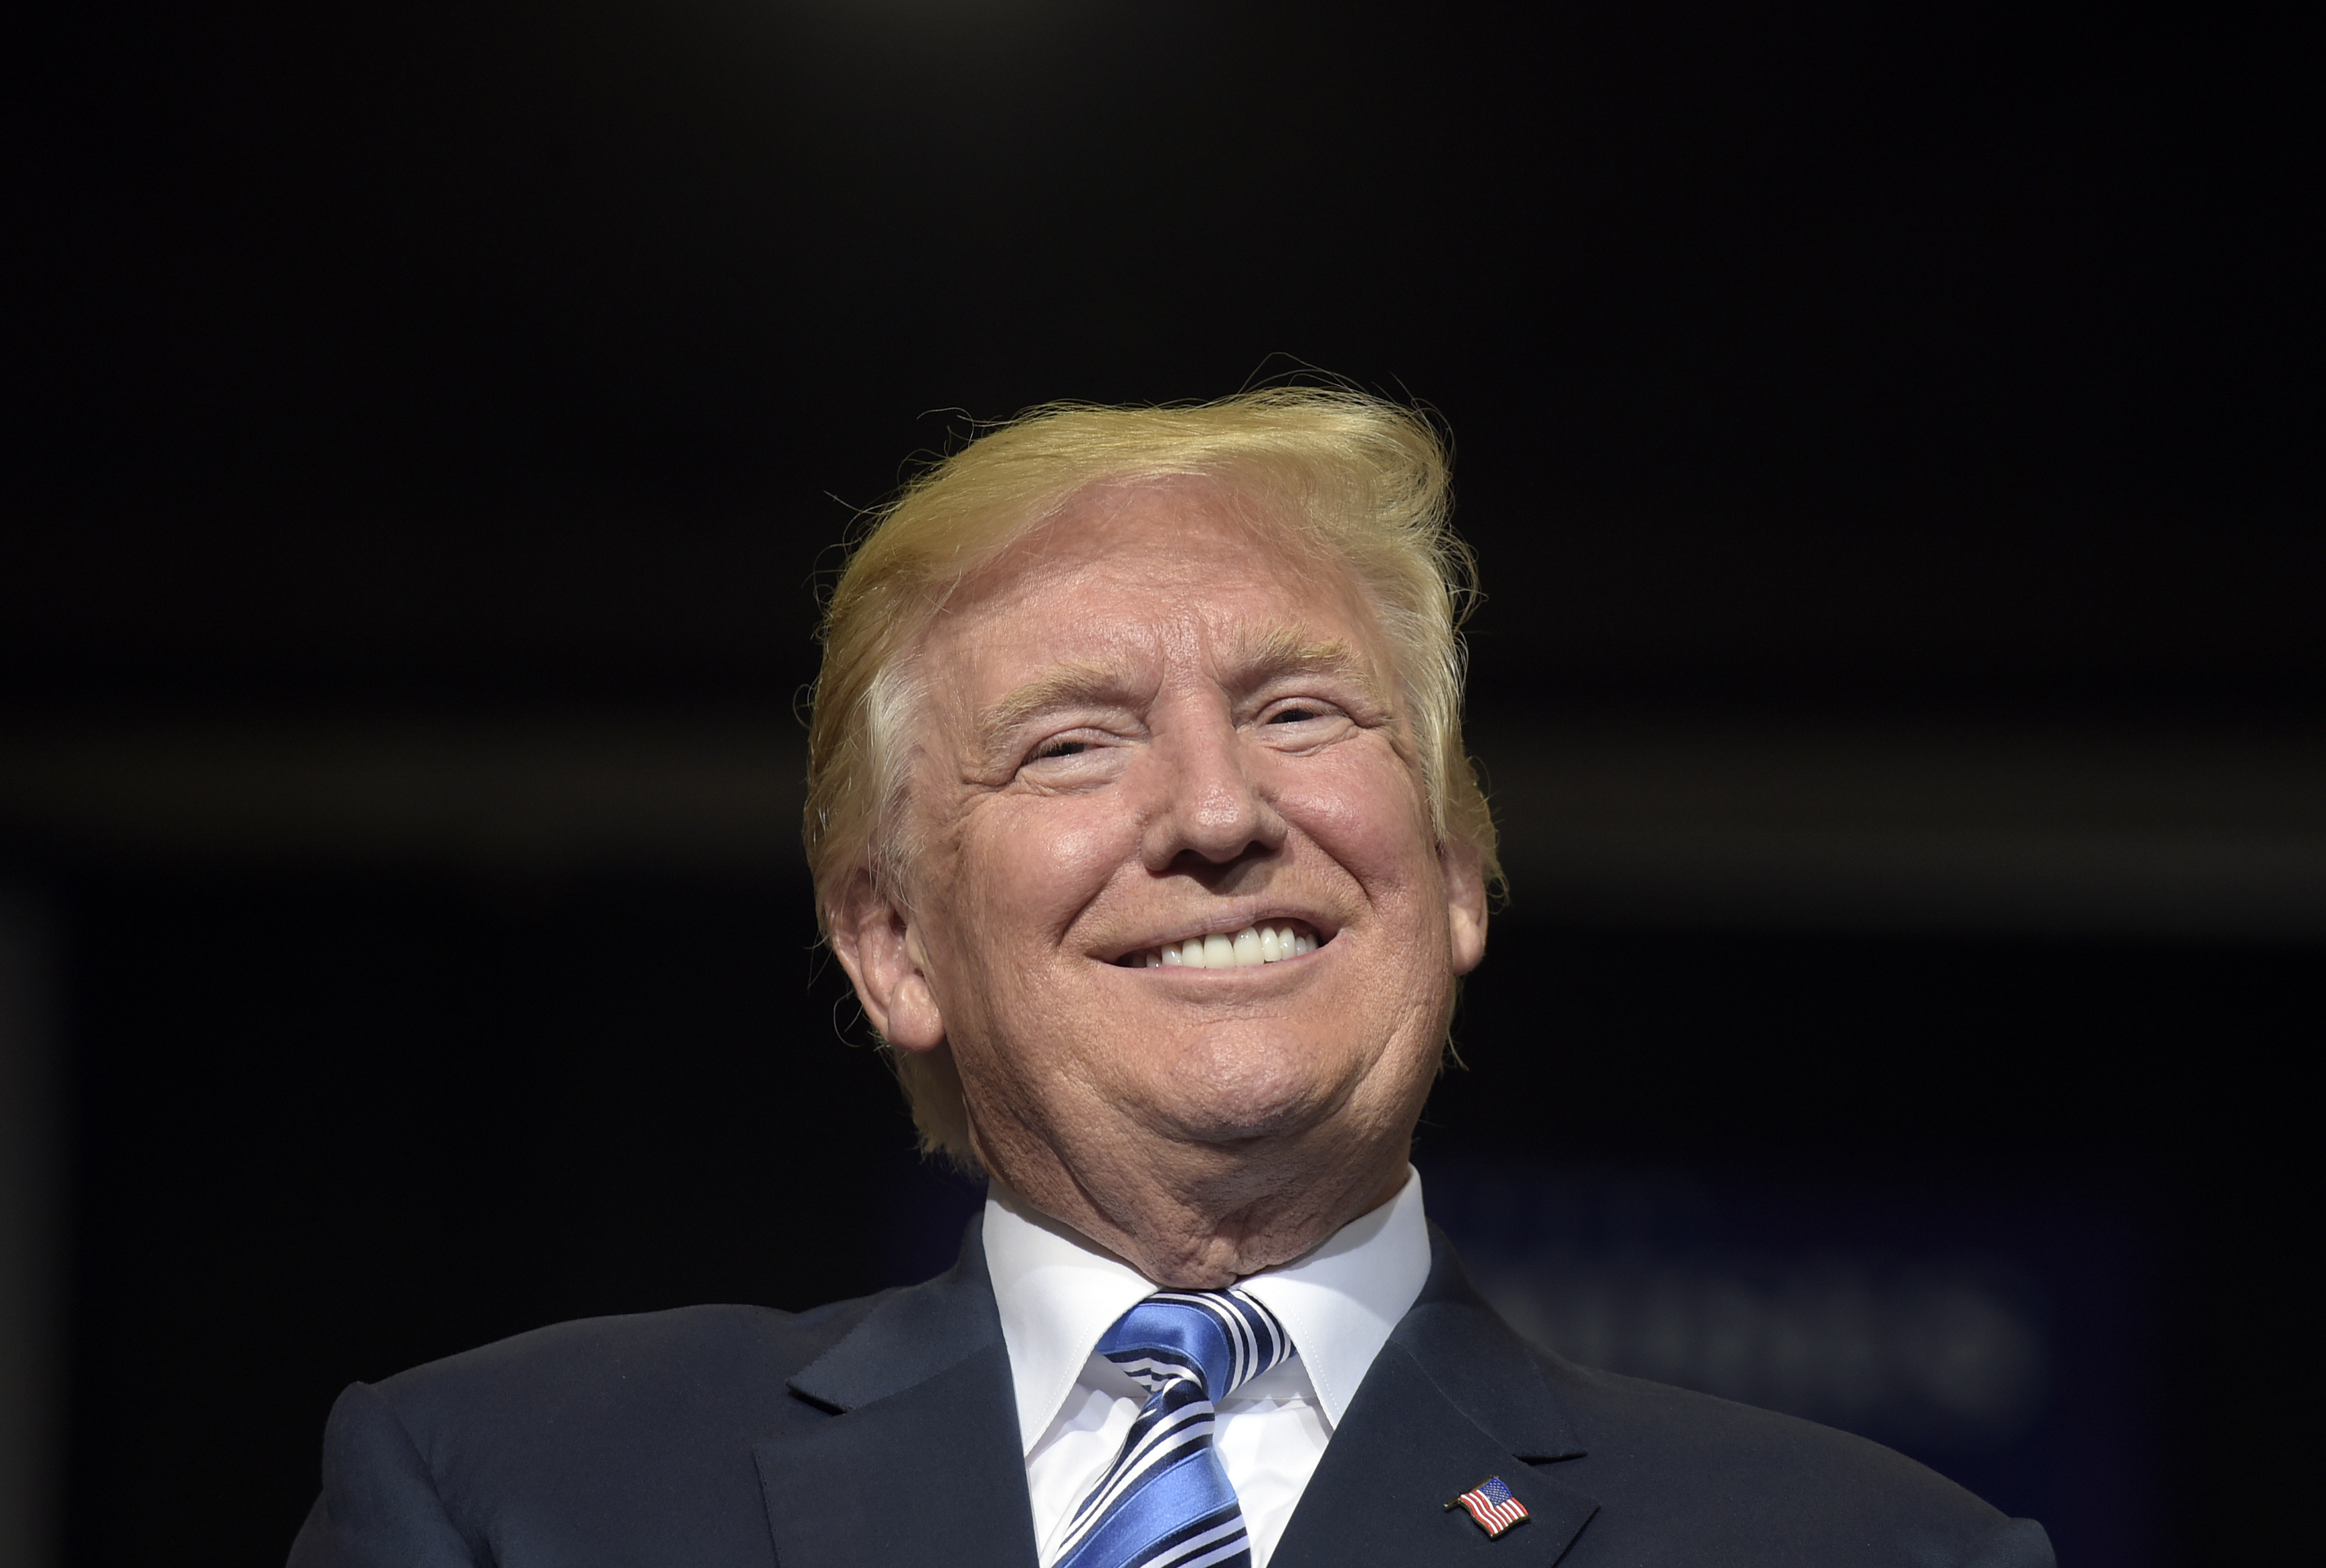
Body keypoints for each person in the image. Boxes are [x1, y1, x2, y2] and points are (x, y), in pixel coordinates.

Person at [287, 391, 2054, 1567]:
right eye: (1072, 745)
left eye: (1300, 713)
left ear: (1450, 876)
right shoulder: (508, 1494)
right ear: (892, 945)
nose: (1216, 812)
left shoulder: (1870, 1551)